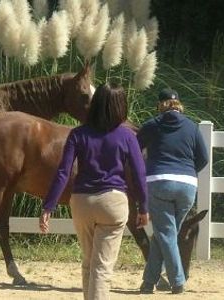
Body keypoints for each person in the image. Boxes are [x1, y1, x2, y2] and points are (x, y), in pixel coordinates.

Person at [39, 83, 149, 300]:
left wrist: (48, 206)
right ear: (121, 106)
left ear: (95, 103)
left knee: (89, 262)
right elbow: (139, 174)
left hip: (81, 203)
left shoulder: (77, 134)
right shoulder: (127, 136)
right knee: (103, 267)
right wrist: (143, 207)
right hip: (113, 203)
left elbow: (63, 172)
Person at [137, 88, 209, 294]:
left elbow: (133, 152)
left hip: (159, 182)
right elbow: (203, 158)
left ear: (161, 105)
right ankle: (148, 282)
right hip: (187, 185)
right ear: (178, 104)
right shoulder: (192, 127)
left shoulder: (152, 125)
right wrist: (187, 172)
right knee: (165, 234)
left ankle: (178, 281)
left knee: (165, 233)